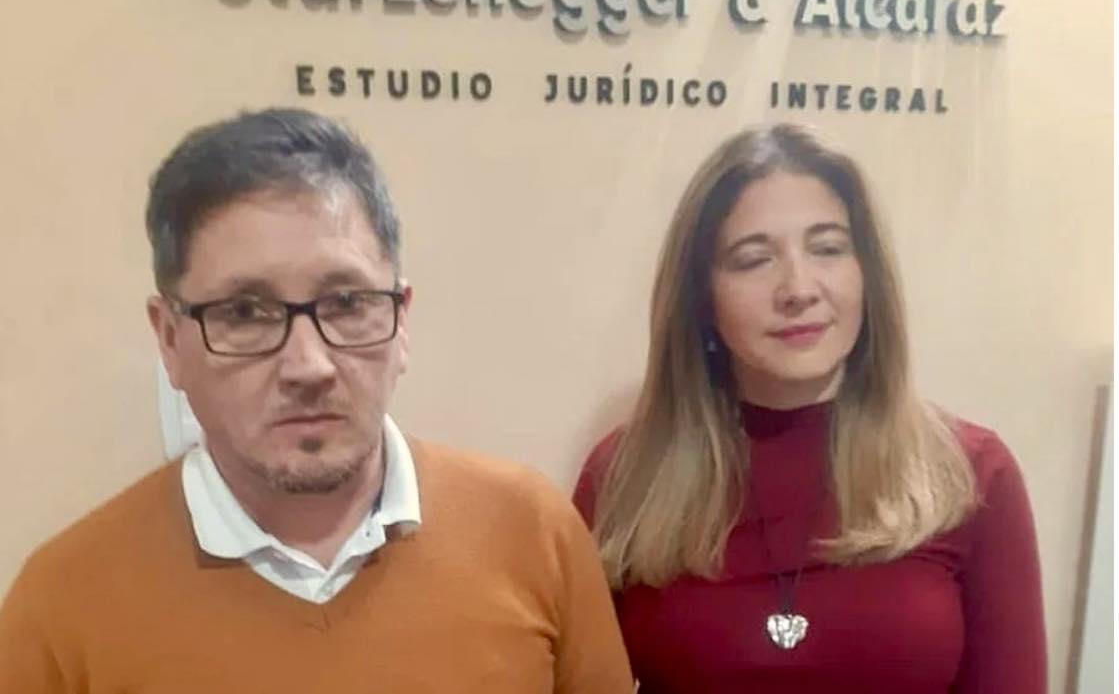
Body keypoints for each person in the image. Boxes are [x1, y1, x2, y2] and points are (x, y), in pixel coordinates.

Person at [0, 108, 633, 694]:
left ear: (401, 321)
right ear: (170, 339)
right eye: (243, 312)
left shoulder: (534, 533)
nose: (309, 366)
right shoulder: (61, 609)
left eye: (347, 303)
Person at [573, 123, 1046, 693]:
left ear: (866, 275)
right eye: (753, 259)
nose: (798, 288)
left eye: (827, 249)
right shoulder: (624, 477)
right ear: (701, 295)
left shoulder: (970, 473)